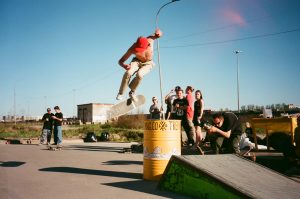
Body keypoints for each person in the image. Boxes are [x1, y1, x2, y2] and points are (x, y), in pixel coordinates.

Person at [116, 29, 163, 101]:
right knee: (128, 72)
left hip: (148, 63)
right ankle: (121, 93)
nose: (139, 51)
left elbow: (159, 33)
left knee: (140, 74)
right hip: (136, 61)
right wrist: (124, 65)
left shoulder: (150, 39)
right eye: (138, 50)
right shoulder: (132, 49)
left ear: (148, 45)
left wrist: (159, 33)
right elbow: (120, 61)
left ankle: (132, 92)